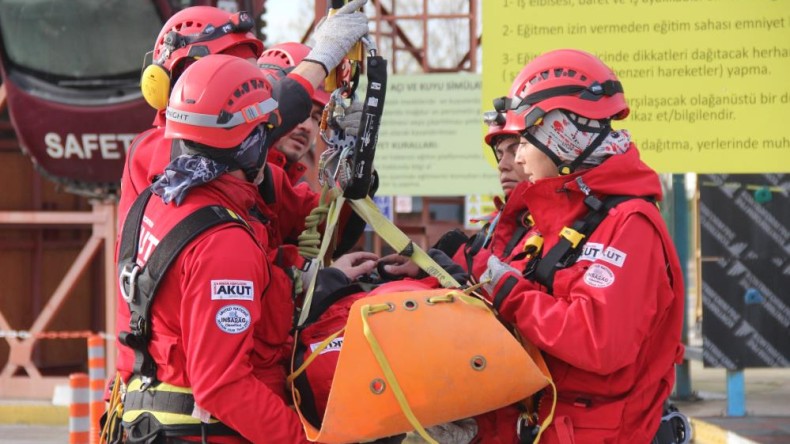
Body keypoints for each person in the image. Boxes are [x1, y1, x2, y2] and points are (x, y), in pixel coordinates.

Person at [116, 54, 379, 443]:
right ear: (249, 142)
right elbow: (223, 385)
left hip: (147, 419)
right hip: (204, 432)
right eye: (265, 131)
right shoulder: (223, 242)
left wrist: (317, 279)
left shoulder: (159, 201)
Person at [471, 49, 685, 443]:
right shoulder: (568, 216)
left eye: (525, 139)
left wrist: (510, 294)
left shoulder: (629, 225)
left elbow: (599, 341)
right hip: (550, 425)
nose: (516, 157)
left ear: (562, 133)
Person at [258, 42, 330, 186]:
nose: (308, 127)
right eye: (299, 111)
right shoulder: (233, 176)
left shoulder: (288, 193)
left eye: (316, 118)